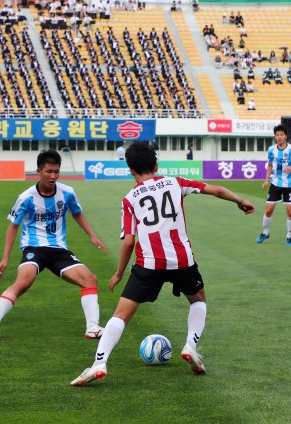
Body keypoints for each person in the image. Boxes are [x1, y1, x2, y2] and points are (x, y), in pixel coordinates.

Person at [69, 142, 255, 385]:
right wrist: (240, 200)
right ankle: (190, 345)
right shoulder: (175, 182)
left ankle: (99, 363)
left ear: (130, 170)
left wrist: (119, 273)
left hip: (149, 264)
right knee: (198, 300)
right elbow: (216, 190)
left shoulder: (129, 199)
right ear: (156, 165)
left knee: (120, 316)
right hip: (182, 260)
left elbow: (127, 242)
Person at [0, 150, 108, 344]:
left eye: (56, 171)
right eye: (49, 171)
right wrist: (5, 258)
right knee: (24, 281)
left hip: (58, 250)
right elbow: (13, 227)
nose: (53, 176)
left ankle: (93, 328)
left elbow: (77, 213)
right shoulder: (26, 197)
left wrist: (92, 235)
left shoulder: (67, 193)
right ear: (39, 171)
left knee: (90, 280)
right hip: (34, 248)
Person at [256, 125, 291, 247]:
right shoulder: (271, 150)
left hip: (290, 184)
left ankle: (289, 235)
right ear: (275, 137)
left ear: (286, 136)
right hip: (276, 183)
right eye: (277, 135)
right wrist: (266, 180)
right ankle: (265, 233)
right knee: (268, 210)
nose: (279, 137)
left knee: (290, 212)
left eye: (282, 135)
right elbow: (270, 165)